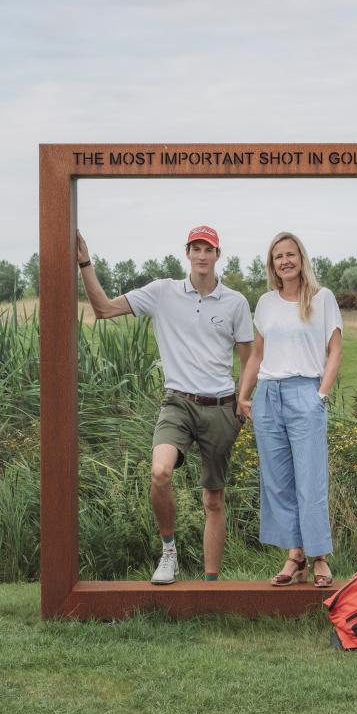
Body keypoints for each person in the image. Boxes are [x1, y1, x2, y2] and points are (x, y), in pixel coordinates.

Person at [76, 225, 252, 584]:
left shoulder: (235, 302)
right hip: (177, 403)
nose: (202, 255)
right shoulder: (162, 293)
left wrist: (243, 402)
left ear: (218, 256)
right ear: (186, 253)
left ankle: (210, 585)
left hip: (221, 407)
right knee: (160, 473)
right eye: (196, 248)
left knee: (214, 500)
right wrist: (85, 263)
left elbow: (249, 360)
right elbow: (104, 309)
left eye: (209, 249)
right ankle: (168, 552)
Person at [238, 232, 343, 588]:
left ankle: (320, 558)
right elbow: (257, 354)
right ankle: (295, 554)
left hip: (305, 394)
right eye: (278, 256)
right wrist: (243, 395)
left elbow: (335, 352)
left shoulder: (322, 299)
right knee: (278, 482)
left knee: (310, 480)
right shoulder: (265, 303)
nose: (285, 261)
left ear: (301, 258)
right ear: (272, 265)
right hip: (268, 397)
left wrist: (321, 395)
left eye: (290, 254)